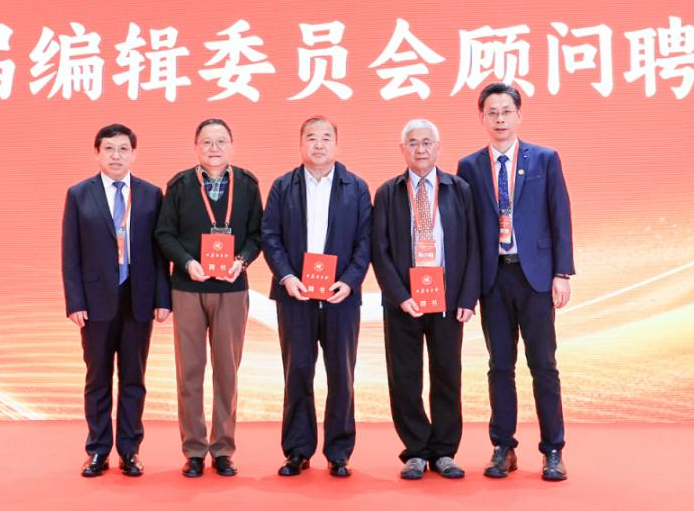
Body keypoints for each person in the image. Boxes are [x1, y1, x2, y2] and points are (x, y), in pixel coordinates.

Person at [457, 83, 575, 482]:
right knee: (500, 366)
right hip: (494, 278)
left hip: (536, 277)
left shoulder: (544, 158)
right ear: (482, 118)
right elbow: (468, 232)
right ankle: (503, 447)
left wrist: (562, 273)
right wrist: (468, 289)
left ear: (519, 115)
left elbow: (560, 216)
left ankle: (553, 450)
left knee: (543, 365)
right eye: (492, 113)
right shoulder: (470, 166)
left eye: (507, 111)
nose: (500, 119)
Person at [262, 116, 372, 478]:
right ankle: (297, 450)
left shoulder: (356, 187)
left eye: (326, 138)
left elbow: (365, 241)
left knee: (342, 374)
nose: (319, 144)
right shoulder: (283, 186)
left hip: (341, 297)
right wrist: (287, 277)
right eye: (312, 137)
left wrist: (350, 281)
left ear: (336, 144)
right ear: (301, 144)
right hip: (295, 295)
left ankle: (339, 452)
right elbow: (270, 236)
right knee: (297, 372)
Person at [371, 119, 480, 480]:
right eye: (413, 143)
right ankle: (416, 450)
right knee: (404, 376)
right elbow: (379, 250)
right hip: (404, 301)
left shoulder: (459, 189)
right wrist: (399, 295)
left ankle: (445, 451)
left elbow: (474, 246)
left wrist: (467, 296)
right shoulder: (388, 192)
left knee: (447, 373)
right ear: (402, 149)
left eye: (427, 142)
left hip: (447, 298)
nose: (421, 149)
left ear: (438, 147)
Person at [155, 118, 263, 478]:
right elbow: (164, 234)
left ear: (231, 146)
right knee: (189, 372)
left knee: (227, 372)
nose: (214, 148)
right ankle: (194, 450)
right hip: (188, 288)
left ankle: (223, 449)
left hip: (231, 288)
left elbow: (257, 234)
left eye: (220, 141)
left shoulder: (247, 185)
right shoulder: (180, 185)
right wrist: (187, 262)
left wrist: (241, 261)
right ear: (196, 147)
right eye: (207, 142)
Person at [62, 124, 171, 478]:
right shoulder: (79, 194)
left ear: (133, 154)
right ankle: (97, 450)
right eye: (109, 148)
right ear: (97, 153)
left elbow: (160, 252)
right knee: (97, 378)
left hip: (138, 298)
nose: (116, 155)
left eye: (123, 149)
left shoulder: (151, 194)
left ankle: (129, 450)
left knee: (134, 378)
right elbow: (70, 253)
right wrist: (75, 301)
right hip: (95, 301)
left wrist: (163, 297)